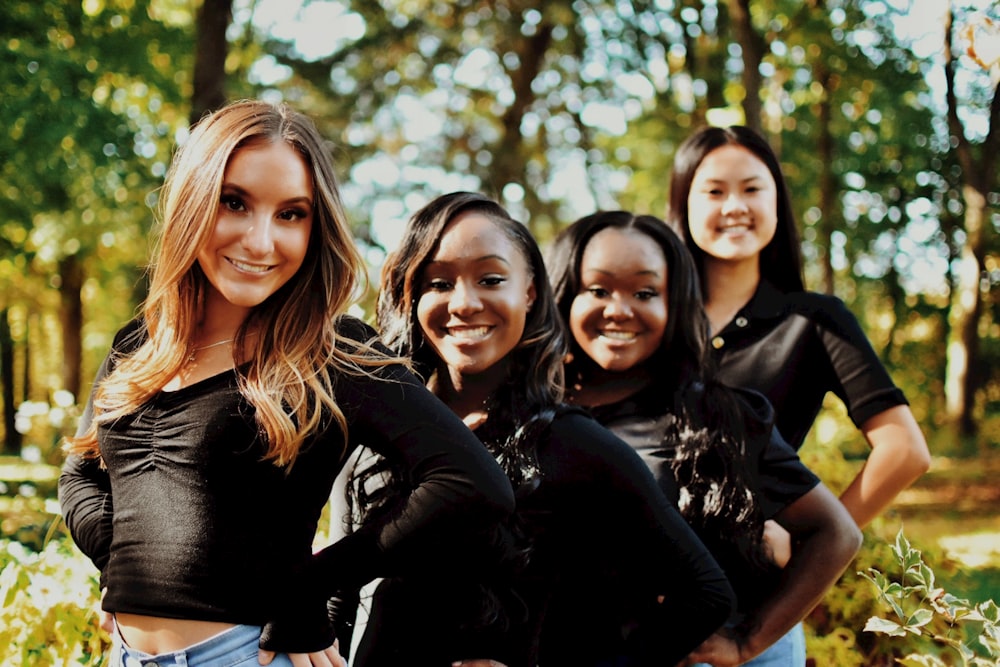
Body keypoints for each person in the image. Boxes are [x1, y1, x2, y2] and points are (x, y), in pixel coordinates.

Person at [57, 100, 516, 667]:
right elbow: (80, 475)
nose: (260, 241)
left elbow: (471, 482)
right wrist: (122, 563)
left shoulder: (332, 352)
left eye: (291, 214)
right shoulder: (140, 343)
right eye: (234, 203)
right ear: (191, 202)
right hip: (126, 657)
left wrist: (306, 586)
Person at [331, 192, 735, 667]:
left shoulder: (575, 444)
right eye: (438, 282)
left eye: (491, 279)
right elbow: (335, 601)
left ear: (530, 292)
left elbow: (706, 593)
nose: (463, 303)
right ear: (411, 296)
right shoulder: (372, 436)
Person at [546, 210, 863, 666]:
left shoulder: (715, 416)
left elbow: (835, 532)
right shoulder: (530, 408)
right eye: (597, 289)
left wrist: (748, 642)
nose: (619, 309)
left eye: (645, 292)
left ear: (674, 305)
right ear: (562, 295)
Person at [666, 124, 931, 530]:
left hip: (749, 578)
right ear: (683, 203)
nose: (735, 206)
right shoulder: (654, 319)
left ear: (777, 203)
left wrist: (815, 541)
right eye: (714, 192)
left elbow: (904, 450)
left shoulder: (815, 321)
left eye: (752, 189)